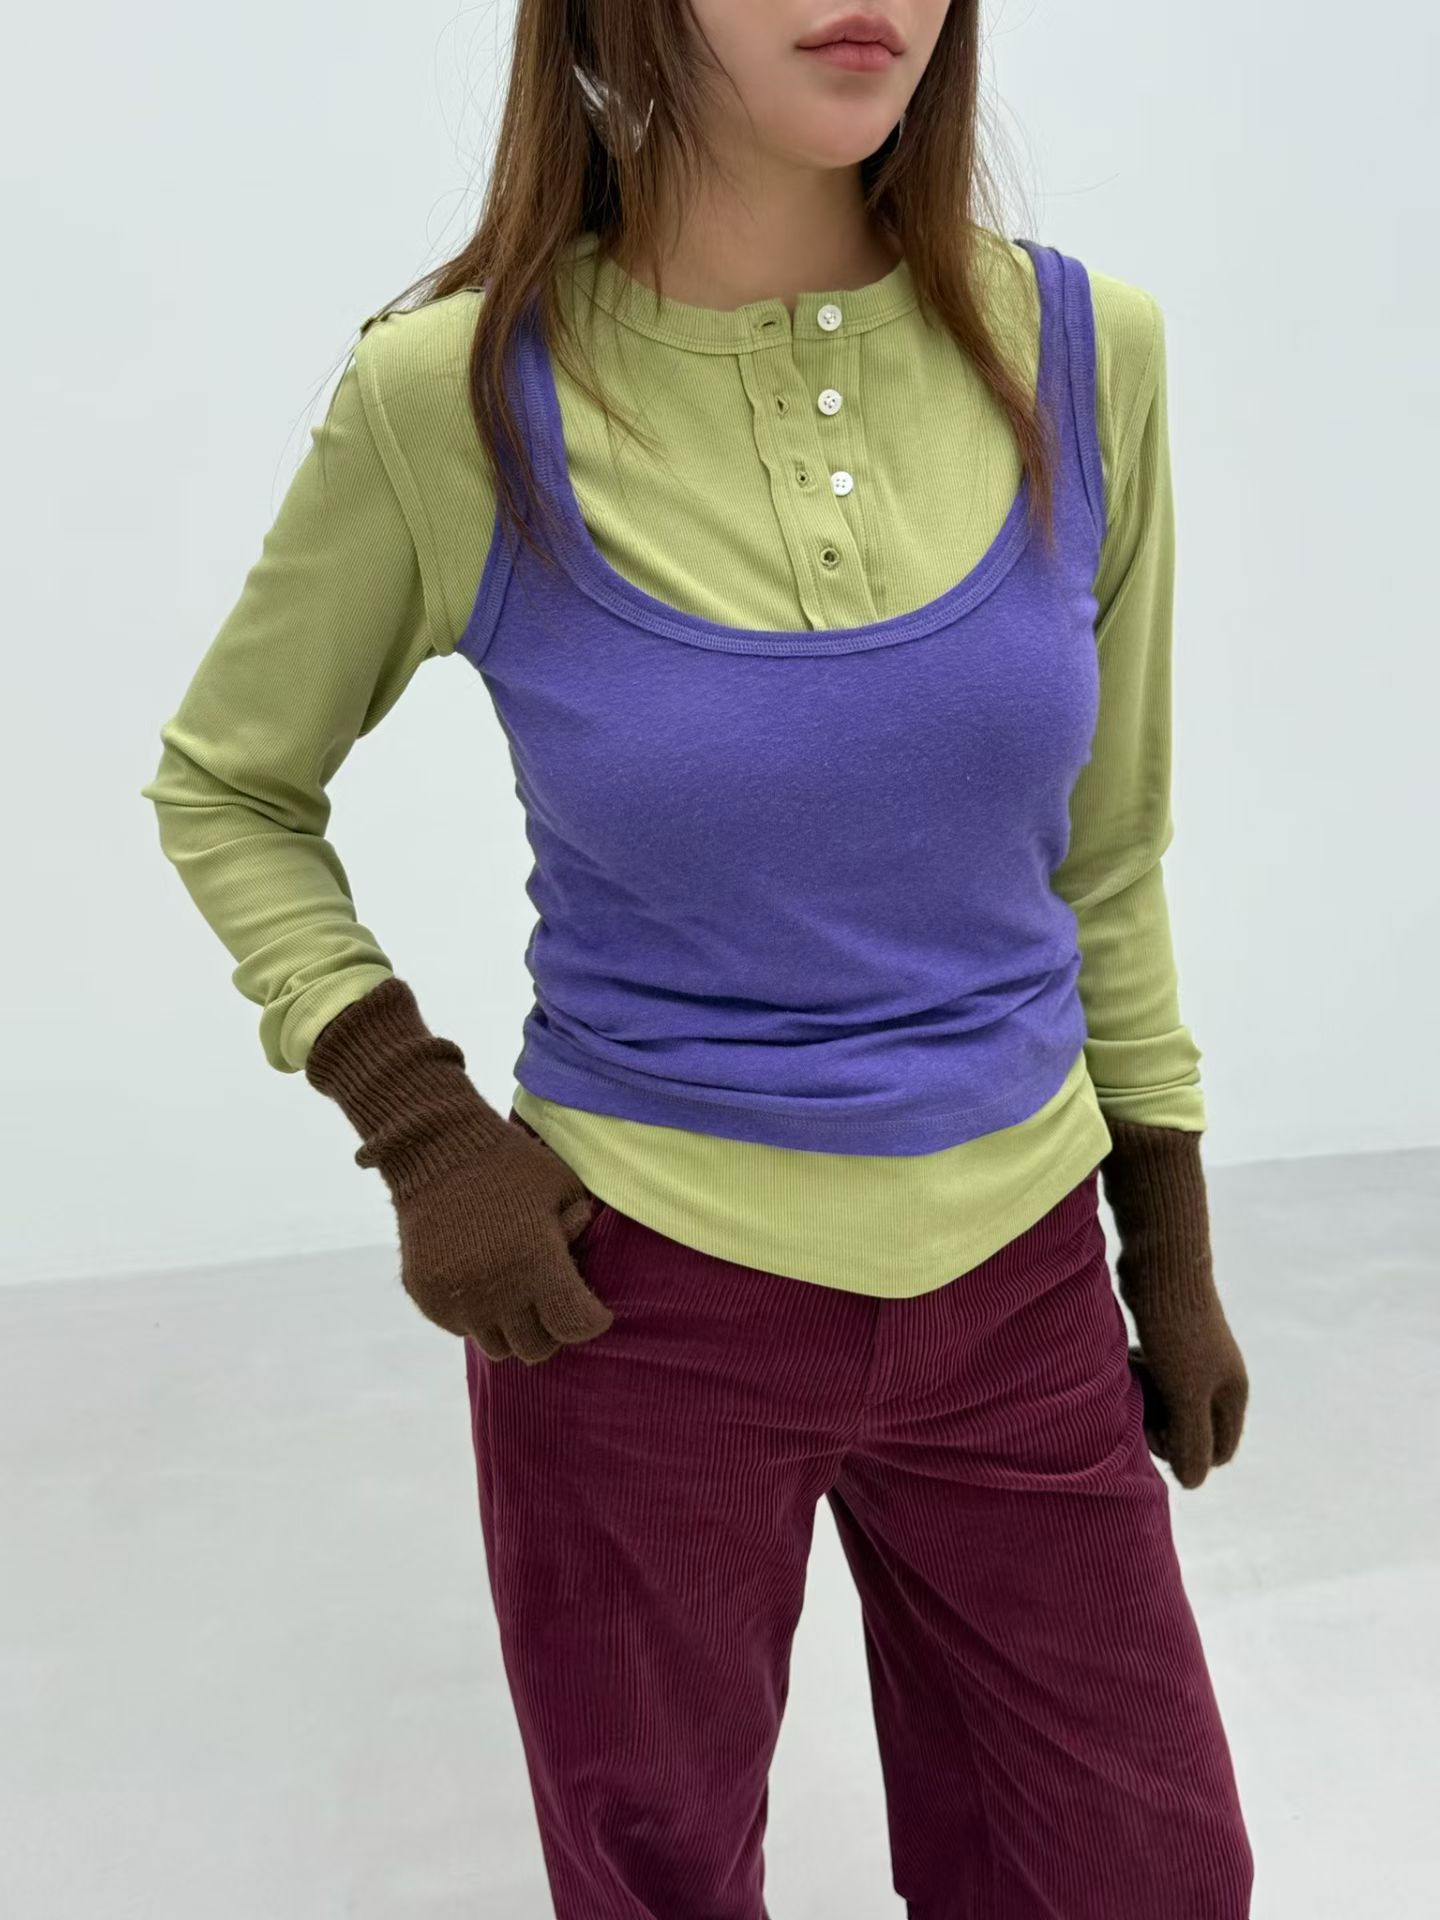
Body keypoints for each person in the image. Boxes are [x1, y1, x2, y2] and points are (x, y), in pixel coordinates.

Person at [141, 3, 1255, 1913]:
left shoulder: (1088, 353)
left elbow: (1109, 846)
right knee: (653, 1873)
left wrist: (1165, 1228)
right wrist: (423, 1129)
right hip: (638, 1302)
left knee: (1141, 1872)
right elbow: (228, 786)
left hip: (1022, 1283)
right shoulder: (454, 395)